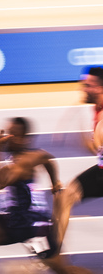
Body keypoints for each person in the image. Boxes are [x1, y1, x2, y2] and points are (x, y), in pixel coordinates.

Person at [0, 117, 78, 274]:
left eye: (12, 134)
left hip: (30, 227)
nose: (6, 137)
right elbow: (48, 159)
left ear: (24, 140)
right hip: (13, 219)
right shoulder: (35, 154)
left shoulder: (21, 163)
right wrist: (54, 183)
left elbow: (0, 183)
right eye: (7, 132)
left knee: (64, 270)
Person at [53, 66, 103, 250]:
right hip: (101, 169)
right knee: (64, 197)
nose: (82, 88)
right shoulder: (97, 107)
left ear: (99, 88)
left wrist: (84, 136)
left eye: (87, 85)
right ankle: (53, 256)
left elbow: (97, 147)